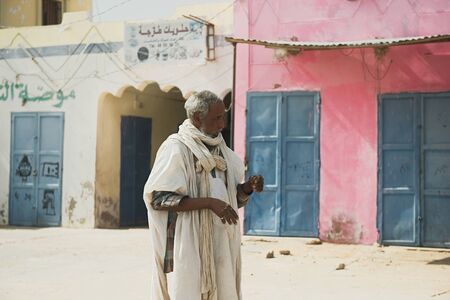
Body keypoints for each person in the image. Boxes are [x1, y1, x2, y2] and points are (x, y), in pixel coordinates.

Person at [143, 90, 264, 300]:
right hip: (188, 241)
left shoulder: (222, 151)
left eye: (223, 116)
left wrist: (246, 189)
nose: (222, 124)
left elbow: (229, 198)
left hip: (221, 242)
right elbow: (159, 198)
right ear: (197, 117)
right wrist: (208, 203)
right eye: (216, 118)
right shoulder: (177, 148)